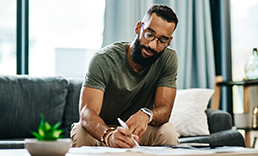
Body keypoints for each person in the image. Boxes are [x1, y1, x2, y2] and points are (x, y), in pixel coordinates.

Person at [71, 4, 179, 148]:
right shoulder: (103, 60)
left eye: (162, 40)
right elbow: (87, 113)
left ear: (168, 41)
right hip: (103, 130)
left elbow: (165, 109)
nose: (153, 45)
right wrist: (109, 136)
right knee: (80, 131)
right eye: (149, 34)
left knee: (168, 132)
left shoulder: (167, 59)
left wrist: (146, 114)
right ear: (138, 28)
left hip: (138, 132)